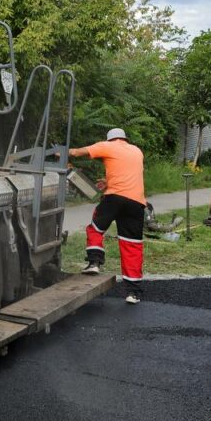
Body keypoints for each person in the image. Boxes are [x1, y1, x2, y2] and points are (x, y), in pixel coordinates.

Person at [69, 128, 145, 304]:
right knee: (131, 245)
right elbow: (128, 173)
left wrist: (62, 153)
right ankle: (133, 293)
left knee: (95, 228)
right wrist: (108, 181)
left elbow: (78, 152)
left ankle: (95, 262)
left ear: (110, 139)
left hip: (115, 198)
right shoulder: (136, 151)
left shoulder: (108, 146)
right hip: (136, 203)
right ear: (124, 138)